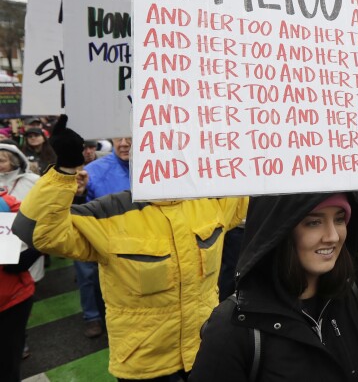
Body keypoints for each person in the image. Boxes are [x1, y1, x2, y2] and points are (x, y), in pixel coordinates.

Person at [13, 116, 249, 381]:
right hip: (145, 365)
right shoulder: (108, 213)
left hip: (205, 350)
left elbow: (257, 188)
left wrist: (242, 135)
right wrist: (64, 170)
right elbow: (35, 232)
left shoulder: (210, 202)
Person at [189, 171, 358, 381]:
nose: (333, 237)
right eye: (313, 222)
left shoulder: (352, 282)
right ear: (280, 231)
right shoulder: (233, 328)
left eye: (338, 219)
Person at [75, 136, 133, 338]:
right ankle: (94, 318)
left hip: (141, 245)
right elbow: (76, 209)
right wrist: (78, 193)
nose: (124, 143)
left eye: (130, 137)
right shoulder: (93, 171)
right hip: (104, 243)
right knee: (92, 278)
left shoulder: (161, 166)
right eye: (119, 138)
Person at [0, 189, 33, 382]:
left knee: (7, 368)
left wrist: (22, 259)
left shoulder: (6, 203)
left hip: (10, 302)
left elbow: (43, 230)